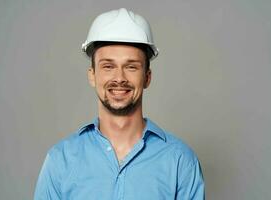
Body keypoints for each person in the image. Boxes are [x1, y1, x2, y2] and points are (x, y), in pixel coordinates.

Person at [34, 8, 205, 200]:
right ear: (92, 75)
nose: (119, 78)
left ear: (147, 77)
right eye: (108, 66)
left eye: (131, 67)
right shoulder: (60, 160)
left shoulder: (180, 161)